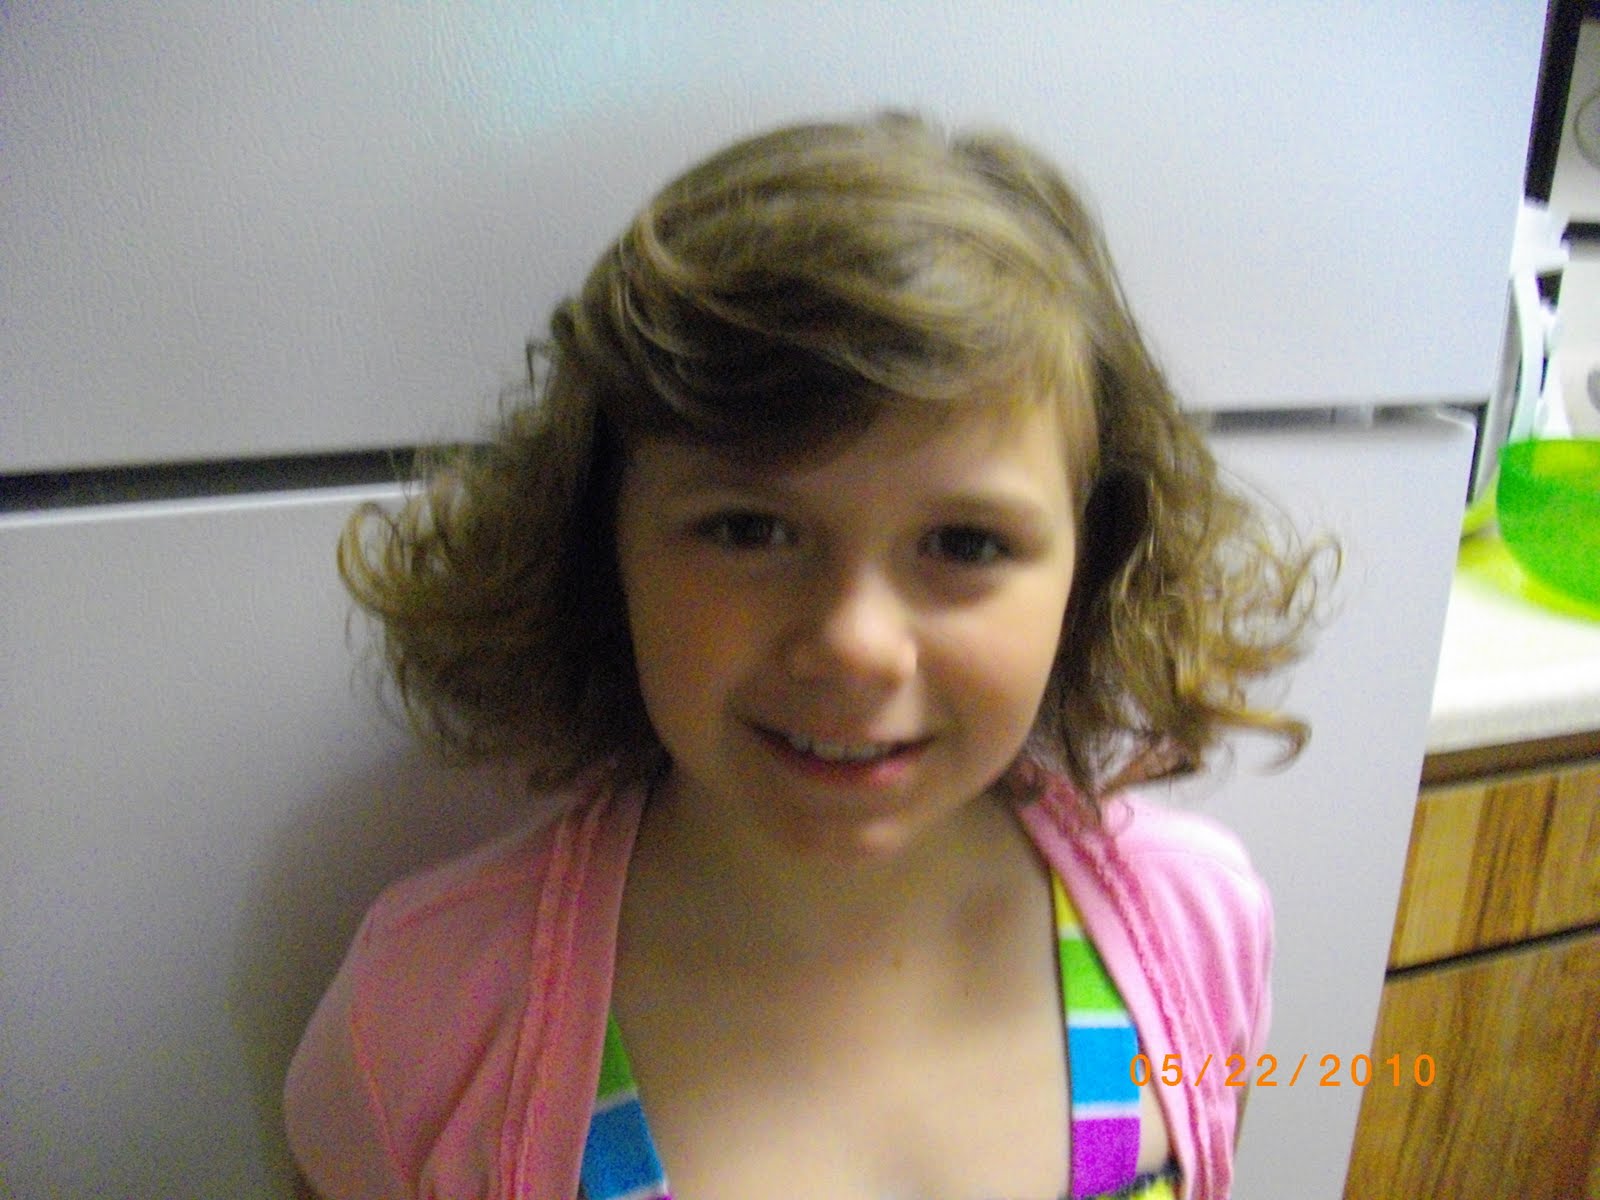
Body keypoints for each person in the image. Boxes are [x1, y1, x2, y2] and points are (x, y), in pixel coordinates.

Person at [284, 111, 1329, 1200]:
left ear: (1092, 566)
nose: (854, 645)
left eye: (966, 544)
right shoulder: (427, 1015)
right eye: (749, 529)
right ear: (601, 542)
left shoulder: (1195, 929)